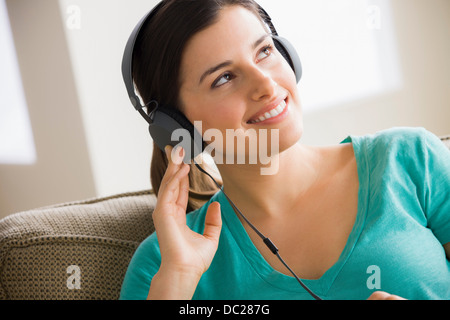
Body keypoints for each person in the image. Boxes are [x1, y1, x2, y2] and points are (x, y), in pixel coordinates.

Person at [119, 0, 450, 300]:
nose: (265, 84)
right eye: (224, 77)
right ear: (177, 128)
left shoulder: (410, 160)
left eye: (264, 51)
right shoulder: (164, 264)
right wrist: (179, 278)